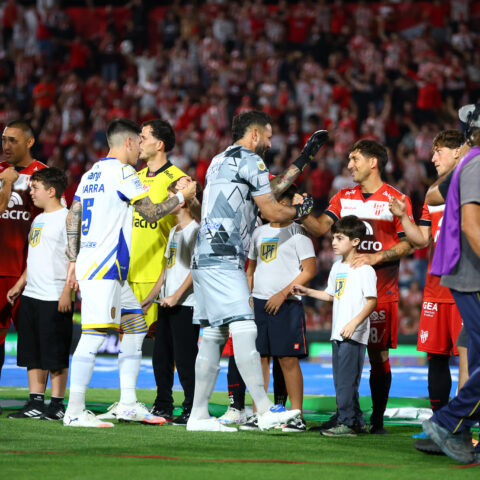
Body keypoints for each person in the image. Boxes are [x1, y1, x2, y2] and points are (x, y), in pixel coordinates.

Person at [186, 110, 325, 432]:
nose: (270, 143)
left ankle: (198, 415)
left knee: (213, 335)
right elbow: (271, 208)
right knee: (245, 327)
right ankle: (263, 410)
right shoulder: (252, 160)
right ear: (254, 135)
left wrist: (303, 159)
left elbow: (271, 189)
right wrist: (299, 211)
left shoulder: (219, 160)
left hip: (204, 254)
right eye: (268, 136)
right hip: (225, 253)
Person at [63, 118, 197, 428]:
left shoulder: (90, 174)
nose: (139, 149)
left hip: (101, 266)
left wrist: (74, 257)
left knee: (135, 326)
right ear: (127, 143)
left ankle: (127, 403)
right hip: (105, 267)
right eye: (138, 142)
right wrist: (182, 197)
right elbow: (150, 213)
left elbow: (73, 216)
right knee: (93, 336)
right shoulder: (123, 172)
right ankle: (74, 409)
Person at [302, 139, 414, 434]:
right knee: (344, 354)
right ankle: (346, 415)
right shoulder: (343, 196)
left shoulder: (396, 198)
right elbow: (321, 228)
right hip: (345, 293)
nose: (349, 165)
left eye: (355, 159)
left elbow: (410, 244)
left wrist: (376, 257)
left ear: (373, 162)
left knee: (378, 356)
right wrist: (301, 213)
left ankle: (377, 419)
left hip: (381, 290)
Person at [101, 119, 192, 421]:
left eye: (143, 137)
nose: (138, 142)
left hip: (159, 275)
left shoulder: (179, 180)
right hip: (129, 274)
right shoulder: (134, 177)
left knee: (167, 345)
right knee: (131, 341)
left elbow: (186, 226)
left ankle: (176, 401)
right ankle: (135, 400)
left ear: (159, 144)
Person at [389, 130, 467, 417]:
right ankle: (439, 419)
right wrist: (402, 216)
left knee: (468, 357)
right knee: (436, 356)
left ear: (458, 152)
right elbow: (422, 240)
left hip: (465, 287)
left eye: (439, 152)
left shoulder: (472, 187)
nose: (433, 158)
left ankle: (462, 421)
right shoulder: (433, 194)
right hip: (435, 288)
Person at [421, 104, 480, 464]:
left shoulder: (470, 163)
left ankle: (453, 424)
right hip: (471, 274)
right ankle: (448, 421)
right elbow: (471, 225)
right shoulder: (474, 164)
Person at [293, 215, 377, 436]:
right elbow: (332, 295)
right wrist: (308, 291)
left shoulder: (365, 269)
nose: (333, 242)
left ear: (355, 241)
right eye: (333, 238)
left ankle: (347, 423)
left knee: (346, 382)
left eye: (340, 238)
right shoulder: (337, 266)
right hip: (338, 332)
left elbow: (372, 302)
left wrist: (353, 324)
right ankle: (354, 420)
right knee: (342, 381)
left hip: (353, 333)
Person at [245, 185, 317, 432]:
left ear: (285, 205)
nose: (265, 208)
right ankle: (260, 413)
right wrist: (249, 297)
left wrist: (283, 294)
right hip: (259, 303)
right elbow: (251, 269)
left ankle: (296, 415)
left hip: (287, 304)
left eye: (271, 203)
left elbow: (310, 270)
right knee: (260, 359)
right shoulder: (258, 232)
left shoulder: (299, 232)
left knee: (288, 360)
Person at [6, 168, 72, 420]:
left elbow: (75, 259)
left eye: (35, 188)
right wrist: (20, 284)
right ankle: (35, 402)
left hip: (54, 296)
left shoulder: (67, 219)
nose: (30, 192)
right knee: (32, 352)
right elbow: (35, 257)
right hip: (32, 294)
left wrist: (67, 291)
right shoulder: (39, 219)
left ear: (51, 191)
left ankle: (56, 404)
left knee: (55, 353)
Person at [140, 178, 201, 425]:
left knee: (185, 359)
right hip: (166, 304)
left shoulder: (197, 230)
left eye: (170, 197)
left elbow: (197, 269)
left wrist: (176, 296)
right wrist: (150, 298)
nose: (167, 202)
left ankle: (192, 407)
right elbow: (166, 269)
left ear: (183, 201)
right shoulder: (175, 231)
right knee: (161, 357)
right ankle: (163, 404)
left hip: (186, 305)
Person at [0, 120, 47, 385]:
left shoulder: (44, 176)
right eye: (4, 139)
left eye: (13, 140)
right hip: (0, 270)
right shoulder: (0, 172)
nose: (6, 146)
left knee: (35, 340)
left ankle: (37, 399)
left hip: (29, 275)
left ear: (29, 142)